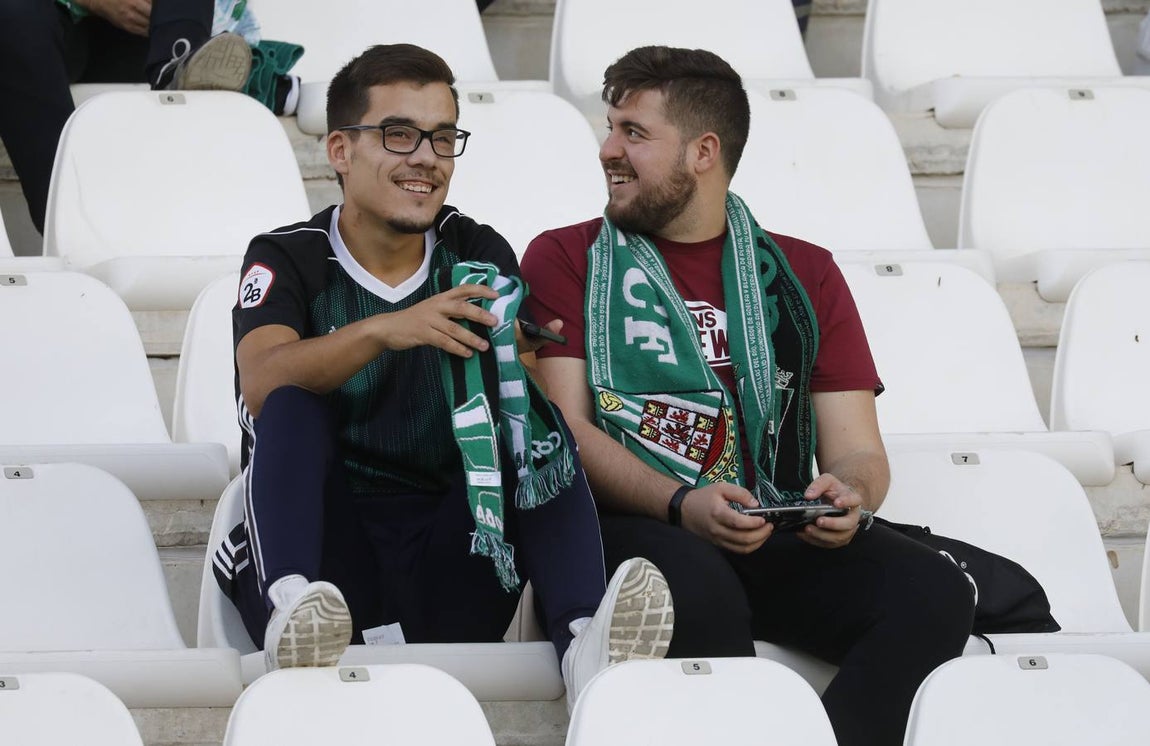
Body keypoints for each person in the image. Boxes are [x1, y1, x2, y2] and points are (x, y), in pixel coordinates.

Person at [519, 45, 975, 746]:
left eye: (633, 133)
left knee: (935, 593)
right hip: (630, 522)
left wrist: (846, 496)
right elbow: (567, 431)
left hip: (765, 520)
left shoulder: (804, 273)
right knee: (699, 588)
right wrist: (679, 503)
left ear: (704, 152)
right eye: (610, 127)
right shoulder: (563, 256)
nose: (608, 150)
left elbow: (858, 452)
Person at [210, 42, 674, 711]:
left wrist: (519, 355)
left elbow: (524, 396)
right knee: (292, 402)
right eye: (399, 134)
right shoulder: (289, 256)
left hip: (452, 547)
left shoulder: (475, 250)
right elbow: (261, 381)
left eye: (443, 137)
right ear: (340, 151)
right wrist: (383, 330)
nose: (426, 157)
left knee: (529, 418)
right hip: (323, 547)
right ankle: (288, 611)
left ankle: (582, 640)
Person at [0, 0, 294, 237]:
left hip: (152, 36)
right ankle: (71, 228)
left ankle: (178, 65)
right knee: (12, 15)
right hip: (47, 32)